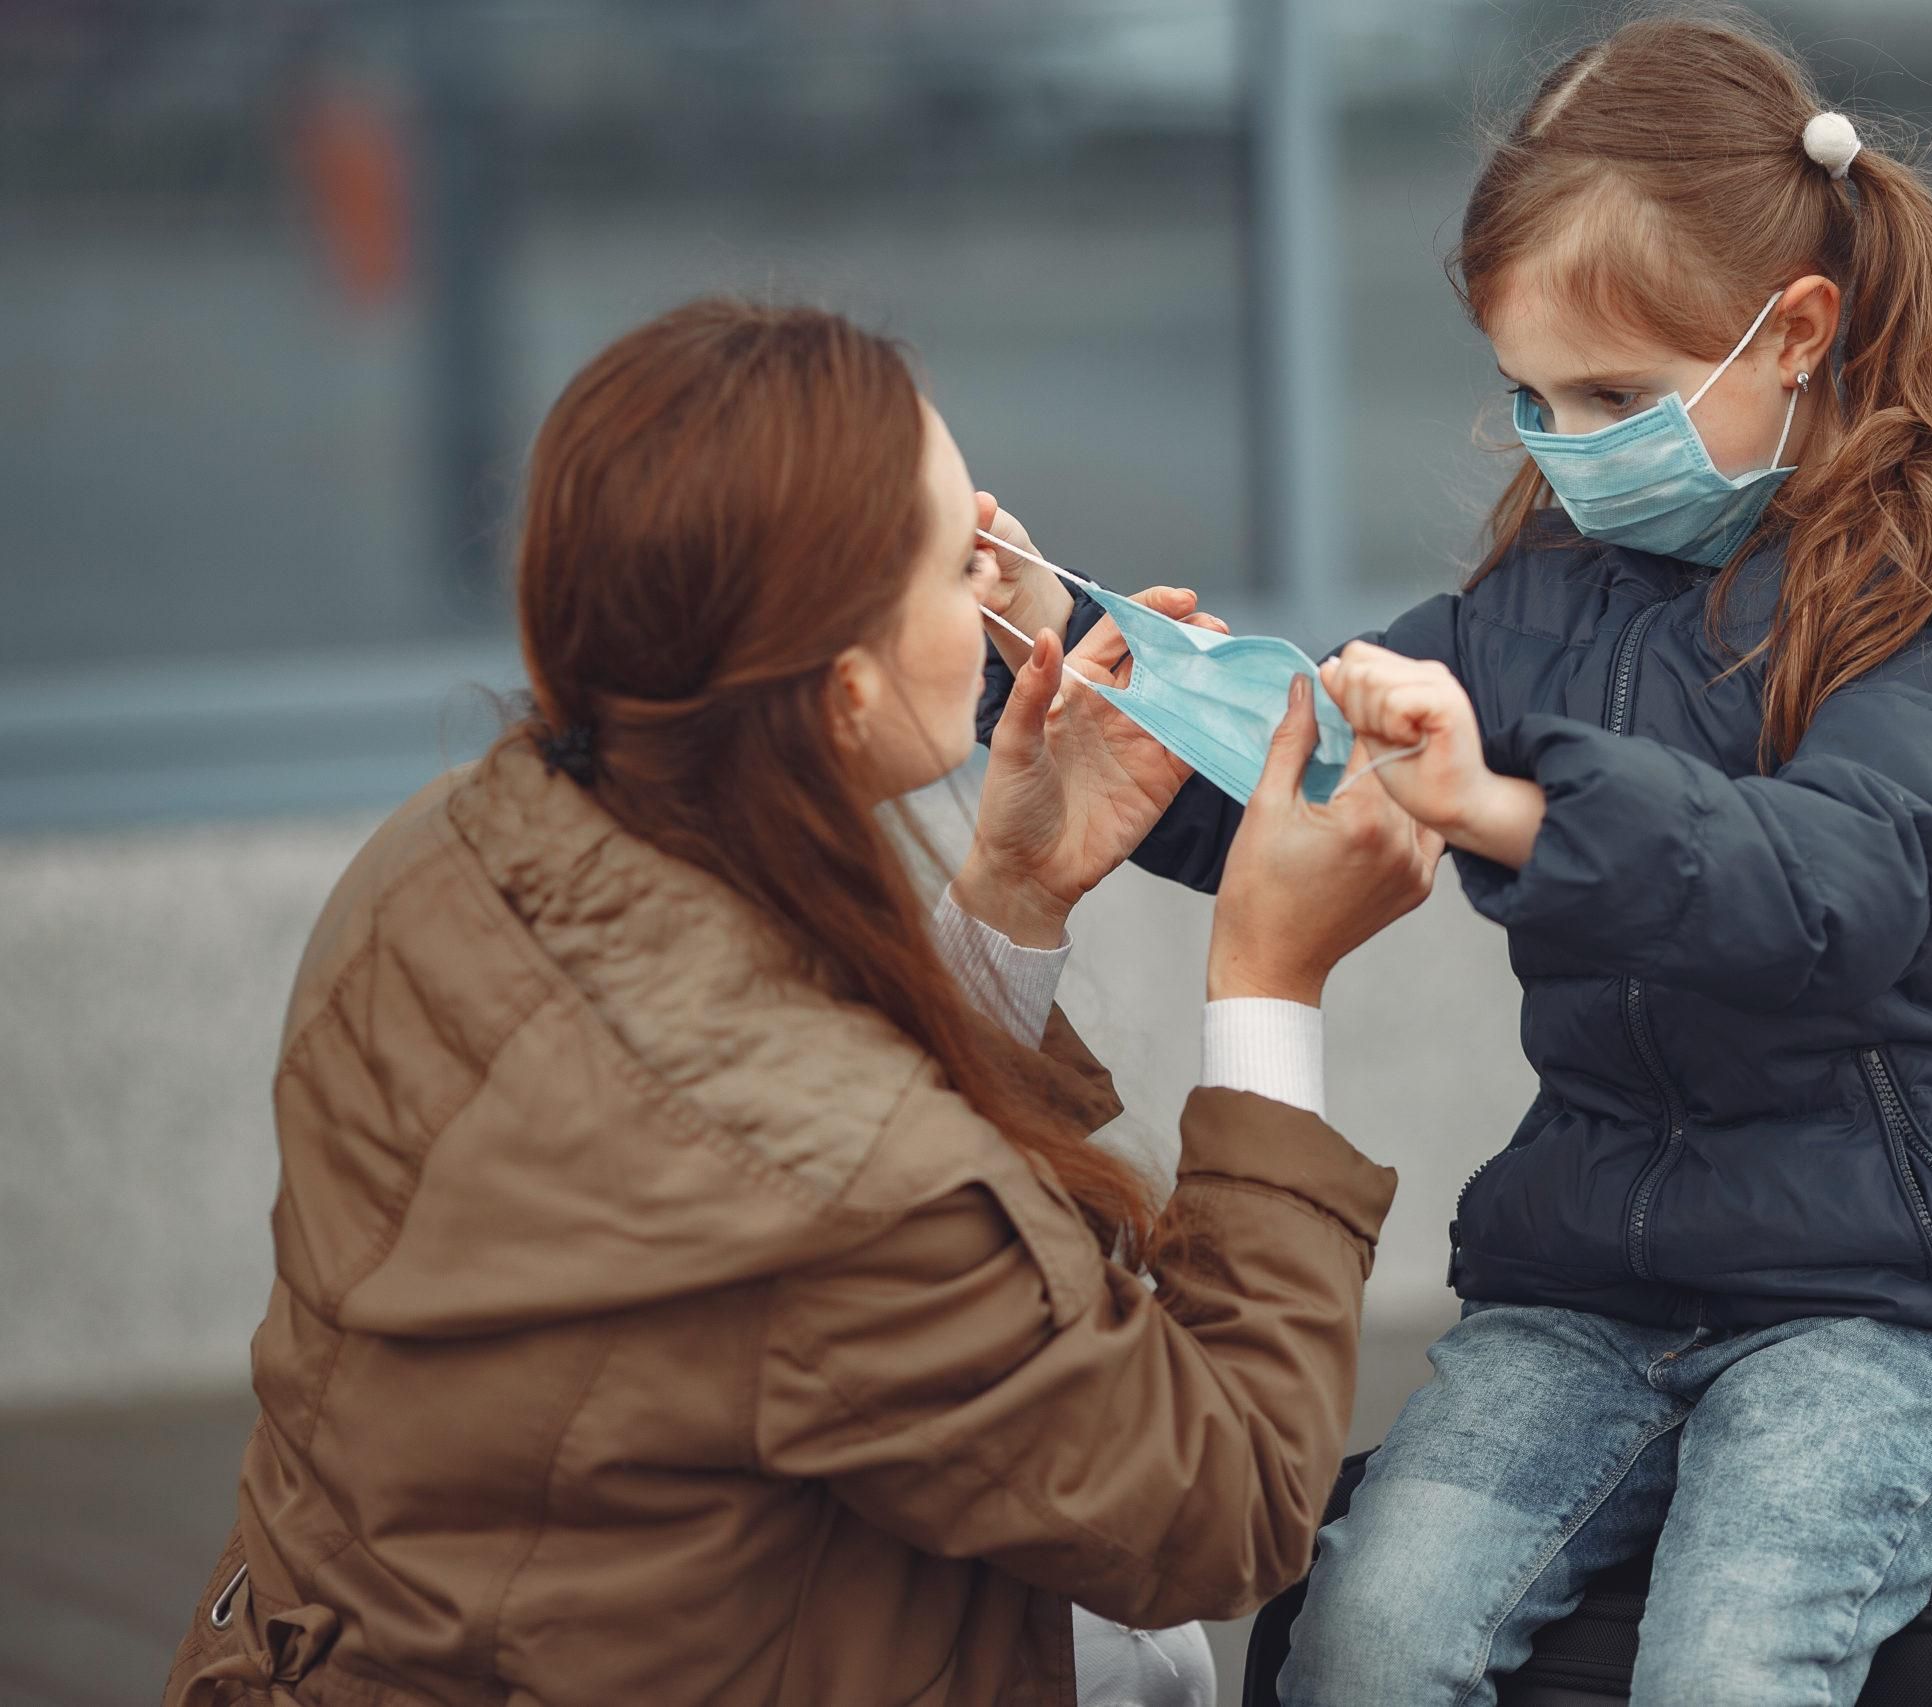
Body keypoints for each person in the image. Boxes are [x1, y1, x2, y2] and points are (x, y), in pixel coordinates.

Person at [975, 12, 1932, 1704]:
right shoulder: (1539, 586)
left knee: (1727, 1668)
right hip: (1596, 1281)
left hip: (1896, 1299)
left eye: (1616, 397)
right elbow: (1309, 768)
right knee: (1360, 1643)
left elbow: (1833, 887)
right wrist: (1062, 641)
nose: (1567, 444)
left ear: (1799, 330)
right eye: (1530, 396)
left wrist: (1515, 810)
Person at [160, 299, 1442, 1707]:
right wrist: (1271, 980)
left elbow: (774, 1195)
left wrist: (1011, 898)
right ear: (842, 692)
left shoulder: (446, 852)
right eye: (966, 561)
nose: (1013, 580)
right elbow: (1220, 1508)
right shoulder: (825, 1179)